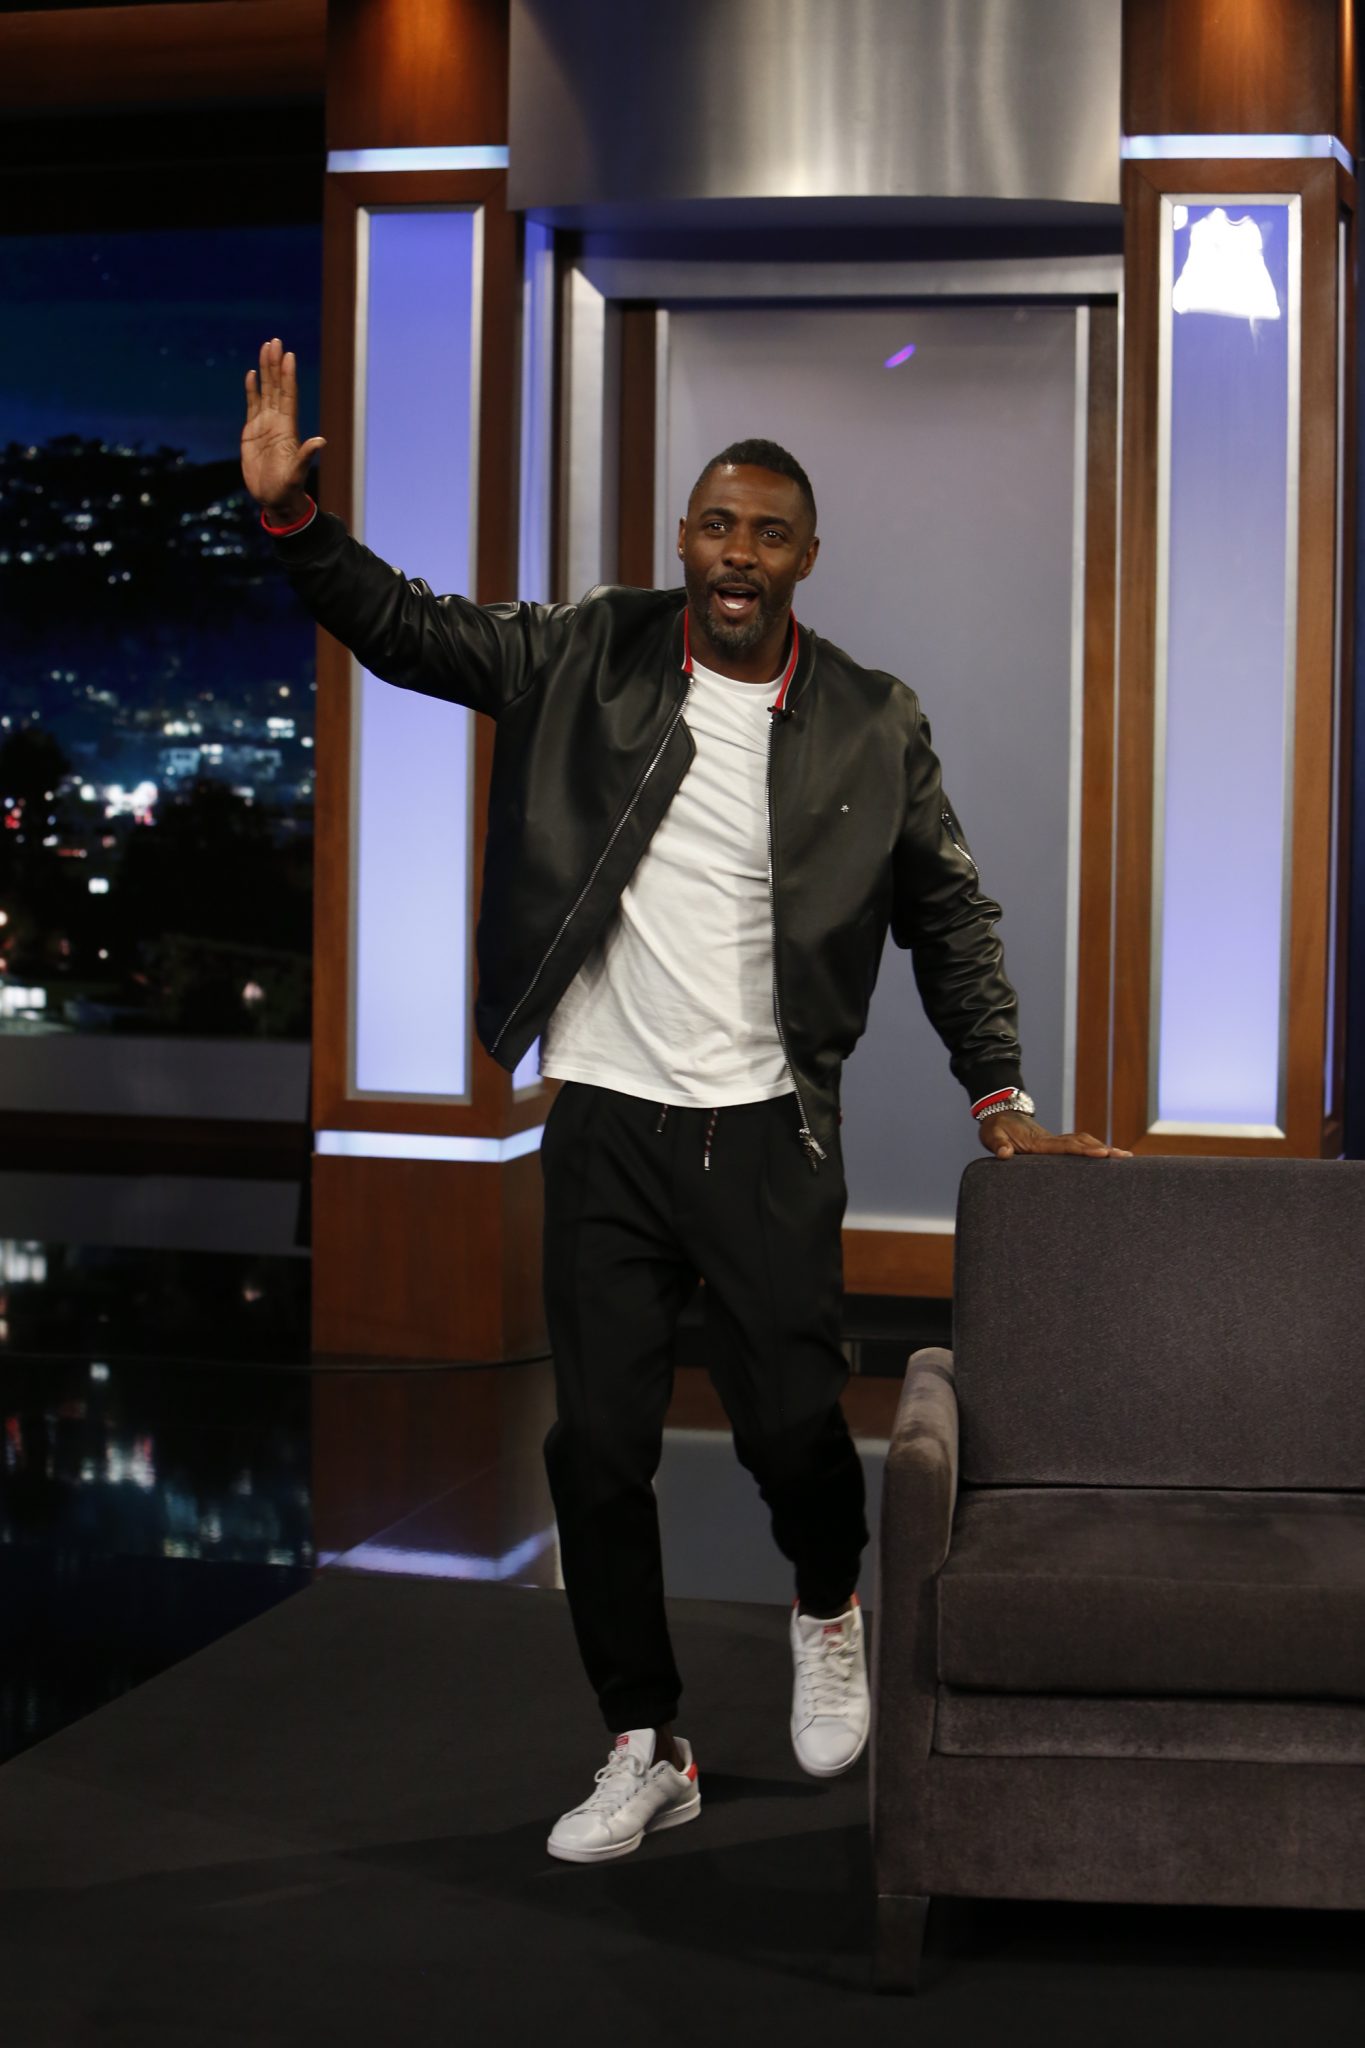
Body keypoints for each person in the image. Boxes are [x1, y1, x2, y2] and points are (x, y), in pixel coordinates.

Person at [242, 335, 1129, 1868]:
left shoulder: (872, 719)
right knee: (594, 1451)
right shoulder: (587, 651)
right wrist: (291, 523)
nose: (737, 554)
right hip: (605, 1118)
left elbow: (949, 915)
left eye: (767, 534)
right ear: (683, 538)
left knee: (792, 1431)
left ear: (804, 559)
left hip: (765, 1128)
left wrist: (999, 1094)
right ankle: (645, 1743)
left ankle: (826, 1603)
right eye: (717, 525)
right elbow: (410, 631)